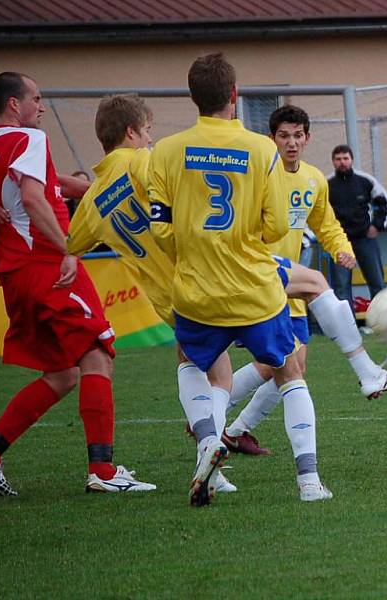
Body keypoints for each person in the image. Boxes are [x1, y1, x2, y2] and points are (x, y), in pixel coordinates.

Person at [0, 72, 155, 496]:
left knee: (63, 373)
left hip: (14, 274)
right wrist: (70, 246)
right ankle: (102, 470)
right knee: (99, 352)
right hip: (48, 266)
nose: (41, 106)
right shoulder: (29, 139)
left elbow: (45, 185)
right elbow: (33, 198)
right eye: (36, 98)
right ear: (14, 104)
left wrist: (94, 189)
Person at [148, 53, 332, 503]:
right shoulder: (261, 149)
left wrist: (196, 246)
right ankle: (308, 482)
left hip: (196, 290)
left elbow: (161, 228)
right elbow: (274, 228)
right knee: (290, 372)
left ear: (193, 97)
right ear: (234, 95)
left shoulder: (167, 152)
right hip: (254, 287)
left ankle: (209, 442)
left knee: (192, 364)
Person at [66, 93, 237, 495]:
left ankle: (212, 458)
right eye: (146, 131)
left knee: (189, 361)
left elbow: (71, 244)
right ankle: (211, 445)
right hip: (203, 278)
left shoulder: (91, 201)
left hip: (168, 301)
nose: (149, 138)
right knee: (225, 372)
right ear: (130, 132)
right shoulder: (145, 161)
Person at [222, 105, 387, 455]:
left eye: (297, 135)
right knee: (275, 364)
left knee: (295, 366)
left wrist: (341, 248)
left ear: (307, 138)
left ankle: (234, 429)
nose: (291, 142)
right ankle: (212, 416)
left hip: (291, 284)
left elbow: (326, 224)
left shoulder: (312, 179)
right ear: (272, 139)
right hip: (261, 279)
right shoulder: (261, 176)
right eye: (283, 136)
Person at [327, 144, 387, 311]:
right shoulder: (326, 184)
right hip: (339, 243)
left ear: (351, 160)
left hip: (364, 239)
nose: (342, 162)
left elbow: (384, 202)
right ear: (333, 162)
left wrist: (377, 226)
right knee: (341, 287)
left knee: (377, 282)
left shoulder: (365, 180)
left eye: (345, 158)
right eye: (338, 159)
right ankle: (348, 327)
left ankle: (382, 321)